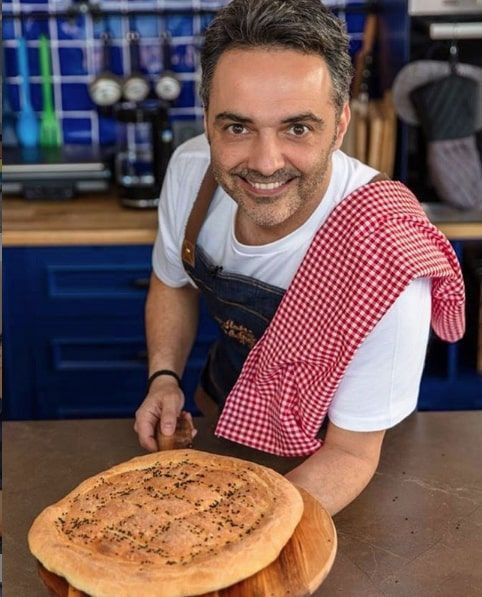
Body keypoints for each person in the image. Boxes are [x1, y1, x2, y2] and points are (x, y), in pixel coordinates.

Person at [134, 0, 464, 515]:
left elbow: (352, 455)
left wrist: (219, 532)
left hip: (340, 464)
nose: (265, 164)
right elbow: (172, 284)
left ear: (339, 125)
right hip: (222, 420)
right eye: (237, 128)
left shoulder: (385, 251)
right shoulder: (190, 171)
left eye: (298, 128)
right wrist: (165, 378)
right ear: (207, 121)